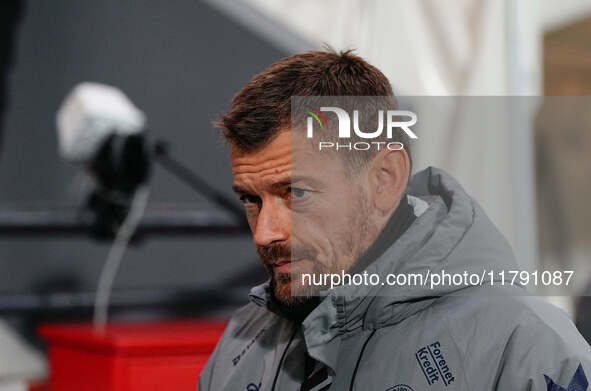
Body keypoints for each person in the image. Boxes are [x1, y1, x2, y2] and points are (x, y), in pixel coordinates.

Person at [198, 50, 591, 391]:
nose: (267, 232)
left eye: (296, 193)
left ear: (384, 180)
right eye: (251, 200)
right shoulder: (244, 339)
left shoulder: (524, 348)